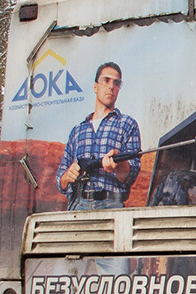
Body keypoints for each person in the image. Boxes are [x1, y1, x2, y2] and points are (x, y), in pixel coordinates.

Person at [56, 62, 142, 210]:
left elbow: (131, 174)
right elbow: (60, 181)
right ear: (95, 87)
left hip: (111, 205)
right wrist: (68, 176)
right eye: (106, 80)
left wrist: (118, 163)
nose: (111, 86)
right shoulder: (77, 131)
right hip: (77, 206)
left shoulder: (128, 124)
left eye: (116, 83)